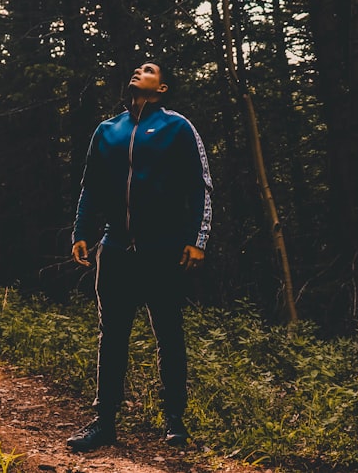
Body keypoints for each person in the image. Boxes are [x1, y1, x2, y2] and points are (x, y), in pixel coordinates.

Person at [67, 61, 213, 452]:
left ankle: (175, 422)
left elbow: (202, 187)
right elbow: (90, 187)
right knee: (111, 336)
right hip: (114, 249)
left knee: (168, 334)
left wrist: (198, 239)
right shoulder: (107, 130)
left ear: (162, 88)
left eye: (148, 69)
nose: (138, 71)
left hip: (163, 249)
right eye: (136, 68)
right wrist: (81, 232)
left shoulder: (177, 127)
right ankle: (104, 423)